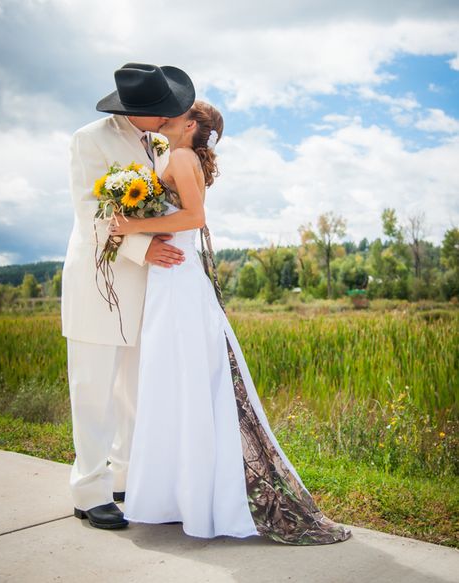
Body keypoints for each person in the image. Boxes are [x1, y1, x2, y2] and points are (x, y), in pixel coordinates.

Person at [108, 101, 352, 545]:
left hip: (178, 278)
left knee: (177, 379)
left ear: (191, 126)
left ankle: (189, 498)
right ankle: (182, 496)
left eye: (180, 112)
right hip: (175, 275)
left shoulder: (181, 158)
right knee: (179, 382)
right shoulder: (178, 157)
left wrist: (132, 224)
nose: (169, 114)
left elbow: (194, 217)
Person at [61, 63, 195, 529]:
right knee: (93, 391)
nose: (170, 116)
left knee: (135, 391)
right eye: (162, 110)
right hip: (98, 285)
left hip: (146, 289)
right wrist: (144, 246)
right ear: (139, 110)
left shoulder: (156, 142)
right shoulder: (88, 139)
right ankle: (90, 490)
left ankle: (125, 477)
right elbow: (90, 214)